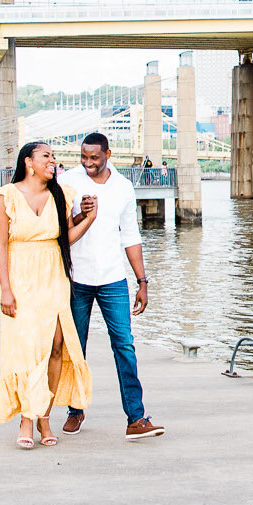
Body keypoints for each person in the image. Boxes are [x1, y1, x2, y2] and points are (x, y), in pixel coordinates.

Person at [0, 141, 95, 450]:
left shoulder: (60, 196)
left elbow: (64, 240)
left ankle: (44, 417)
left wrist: (88, 219)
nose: (53, 161)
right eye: (46, 156)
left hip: (54, 277)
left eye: (54, 157)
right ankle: (26, 418)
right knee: (25, 349)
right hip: (20, 280)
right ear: (28, 162)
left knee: (56, 348)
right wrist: (5, 288)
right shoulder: (4, 198)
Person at [58, 132, 164, 440]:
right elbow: (61, 229)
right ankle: (75, 411)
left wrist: (142, 282)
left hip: (113, 279)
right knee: (75, 346)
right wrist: (81, 211)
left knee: (125, 346)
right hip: (77, 277)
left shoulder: (123, 187)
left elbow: (130, 236)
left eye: (94, 158)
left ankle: (136, 418)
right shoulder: (69, 182)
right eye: (84, 157)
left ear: (108, 155)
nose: (88, 163)